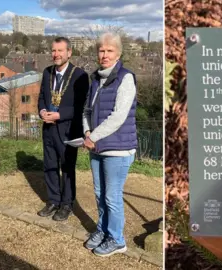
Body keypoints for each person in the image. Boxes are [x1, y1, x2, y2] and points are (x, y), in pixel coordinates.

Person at [82, 32, 138, 257]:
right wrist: (86, 131)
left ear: (119, 53)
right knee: (99, 193)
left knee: (111, 196)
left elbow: (118, 116)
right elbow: (86, 110)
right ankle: (103, 229)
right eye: (101, 50)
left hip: (117, 149)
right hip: (96, 147)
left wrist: (92, 136)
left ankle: (117, 239)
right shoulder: (96, 78)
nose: (104, 55)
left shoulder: (125, 78)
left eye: (109, 51)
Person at [37, 37, 89, 221]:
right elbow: (42, 97)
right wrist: (42, 111)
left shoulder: (80, 75)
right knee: (49, 166)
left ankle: (67, 204)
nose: (56, 54)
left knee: (67, 168)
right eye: (53, 50)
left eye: (60, 51)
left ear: (69, 53)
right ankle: (53, 200)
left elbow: (81, 106)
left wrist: (60, 115)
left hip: (68, 129)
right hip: (48, 128)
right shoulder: (47, 72)